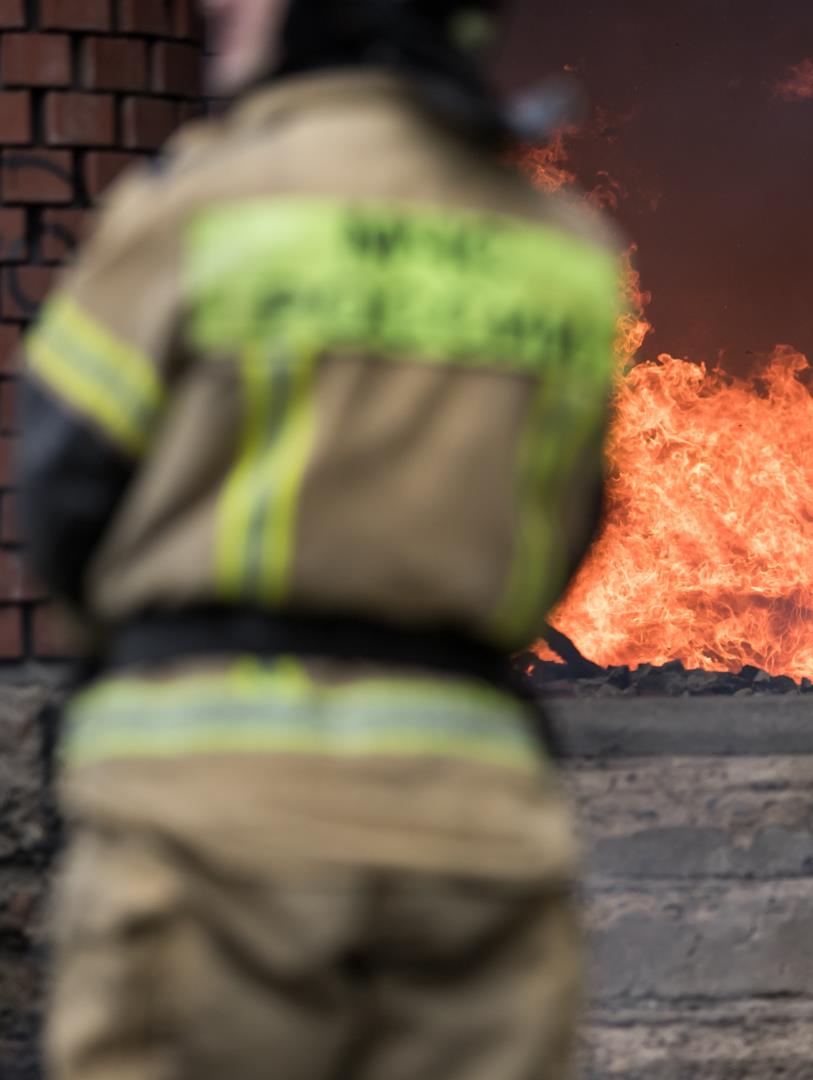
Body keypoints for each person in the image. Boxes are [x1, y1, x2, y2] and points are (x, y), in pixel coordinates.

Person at [19, 0, 626, 1076]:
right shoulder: (562, 249)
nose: (221, 13)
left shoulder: (200, 204)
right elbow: (568, 525)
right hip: (472, 837)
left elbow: (66, 488)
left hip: (210, 828)